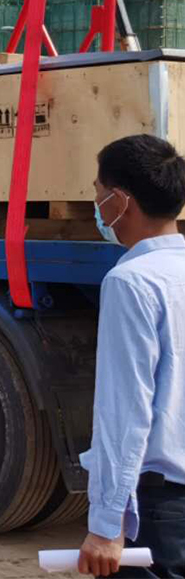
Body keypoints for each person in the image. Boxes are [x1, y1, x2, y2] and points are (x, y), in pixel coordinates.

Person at [79, 134, 185, 578]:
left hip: (162, 513)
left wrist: (107, 525)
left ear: (121, 201)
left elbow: (125, 414)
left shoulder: (132, 283)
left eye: (99, 195)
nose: (99, 208)